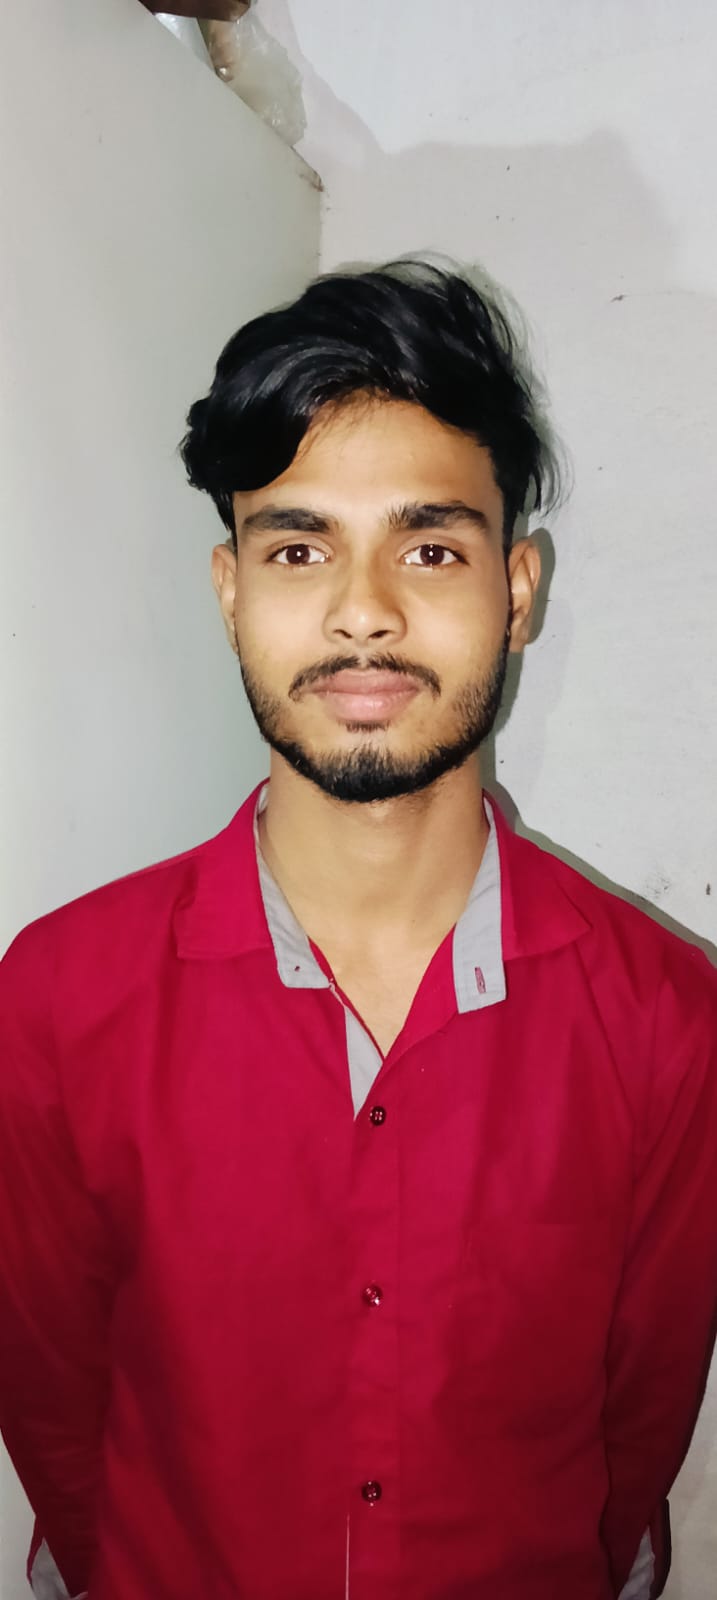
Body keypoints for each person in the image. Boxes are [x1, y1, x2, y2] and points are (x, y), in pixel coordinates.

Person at [0, 259, 715, 1600]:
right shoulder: (55, 997)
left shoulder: (670, 1023)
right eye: (299, 547)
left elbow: (639, 1421)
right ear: (229, 590)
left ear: (517, 590)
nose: (364, 609)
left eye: (429, 547)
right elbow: (49, 1393)